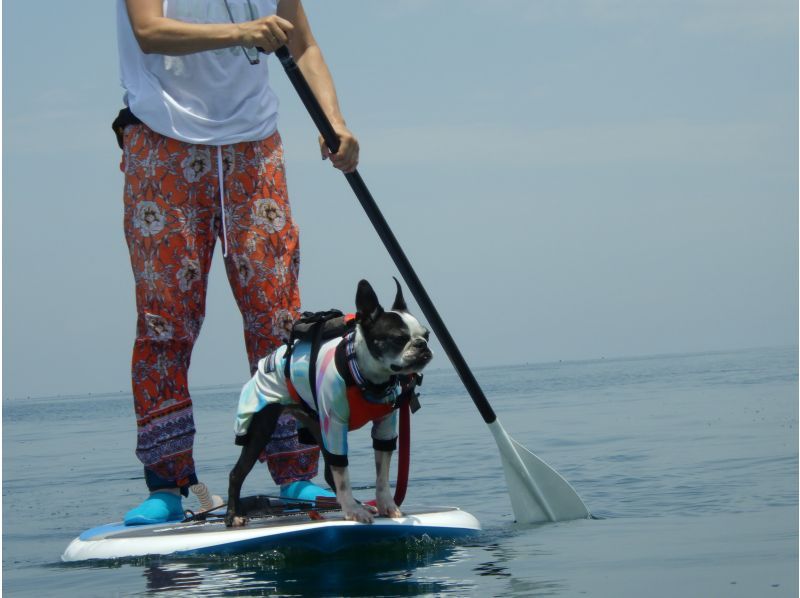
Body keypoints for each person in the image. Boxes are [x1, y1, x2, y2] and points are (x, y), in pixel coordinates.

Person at [116, 0, 359, 525]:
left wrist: (334, 121)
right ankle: (168, 484)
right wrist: (242, 32)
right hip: (162, 140)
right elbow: (148, 31)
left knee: (278, 320)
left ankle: (294, 473)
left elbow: (303, 42)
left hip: (254, 146)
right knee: (166, 322)